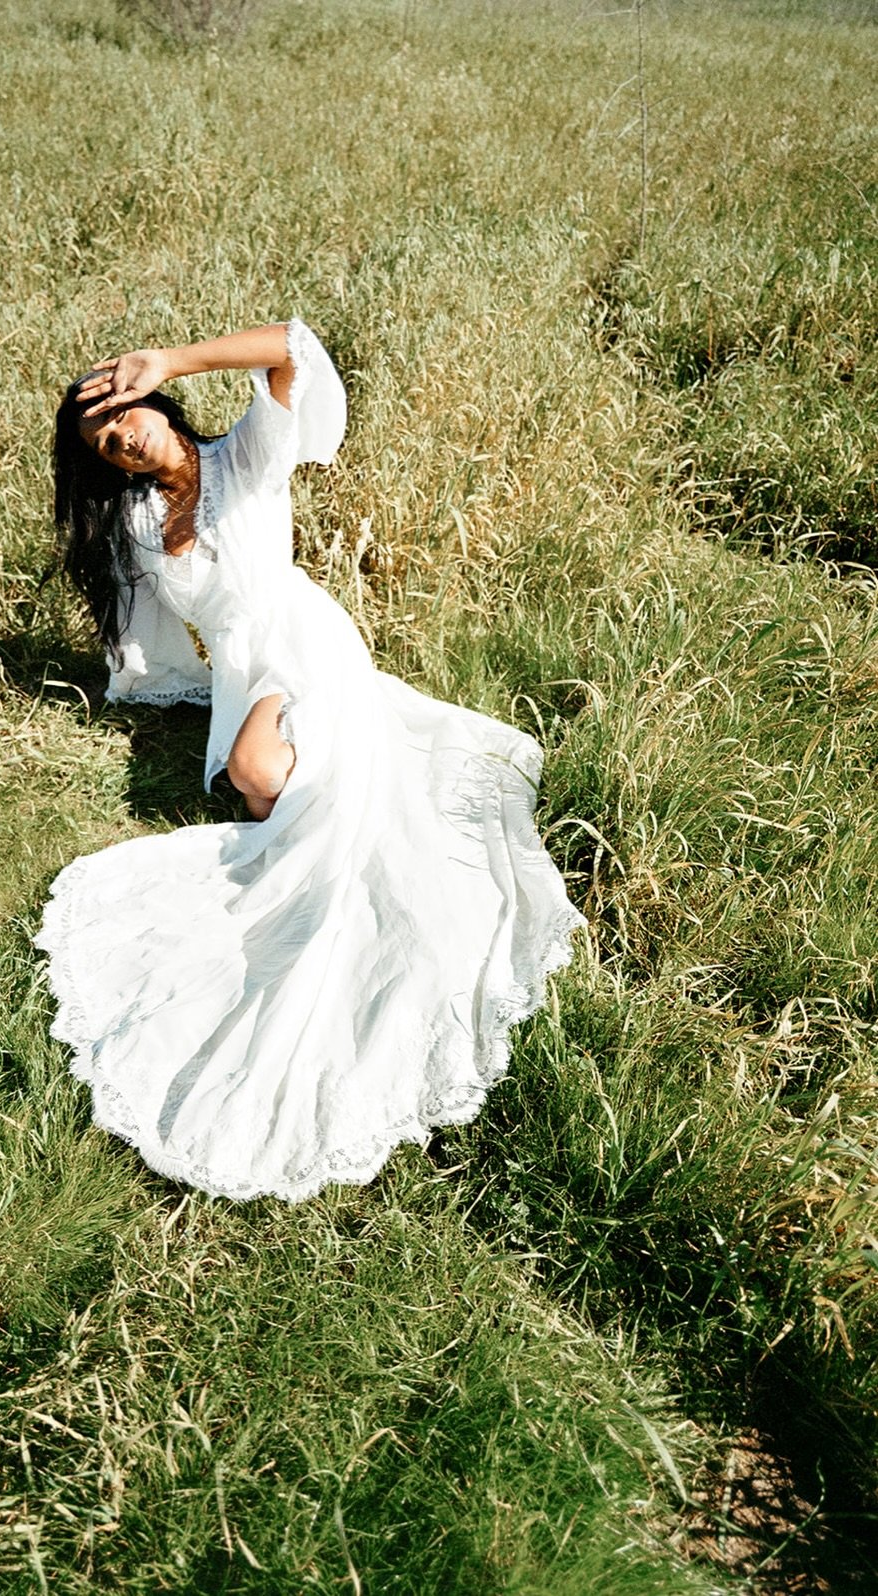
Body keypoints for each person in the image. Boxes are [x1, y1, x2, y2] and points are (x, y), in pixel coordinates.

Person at [34, 319, 583, 1202]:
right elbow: (156, 628)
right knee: (275, 803)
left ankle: (368, 889)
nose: (122, 442)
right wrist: (149, 689)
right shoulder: (137, 519)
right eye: (104, 444)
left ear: (152, 401)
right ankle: (315, 816)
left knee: (264, 787)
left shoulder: (244, 457)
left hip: (303, 644)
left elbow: (291, 347)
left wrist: (170, 356)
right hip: (241, 677)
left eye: (123, 416)